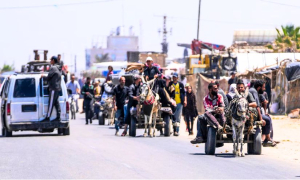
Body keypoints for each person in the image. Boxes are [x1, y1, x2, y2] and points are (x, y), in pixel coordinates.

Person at [249, 80, 277, 147]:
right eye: (263, 87)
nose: (264, 89)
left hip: (253, 113)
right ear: (259, 87)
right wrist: (261, 118)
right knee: (267, 119)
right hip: (253, 114)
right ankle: (267, 139)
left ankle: (267, 138)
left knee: (268, 117)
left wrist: (264, 113)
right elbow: (257, 106)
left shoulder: (253, 90)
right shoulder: (254, 91)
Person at [41, 56, 62, 122]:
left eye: (51, 60)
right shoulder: (58, 68)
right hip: (57, 88)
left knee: (51, 103)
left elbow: (48, 77)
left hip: (53, 88)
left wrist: (42, 77)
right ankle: (58, 117)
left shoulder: (53, 67)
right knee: (56, 103)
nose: (50, 61)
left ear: (53, 60)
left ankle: (48, 117)